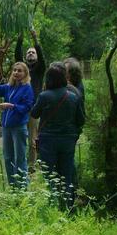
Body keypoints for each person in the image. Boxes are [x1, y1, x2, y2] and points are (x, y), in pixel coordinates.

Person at [30, 62, 85, 208]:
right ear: (64, 77)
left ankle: (52, 203)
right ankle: (67, 205)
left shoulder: (44, 96)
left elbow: (34, 114)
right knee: (66, 172)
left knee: (49, 173)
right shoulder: (74, 96)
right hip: (68, 140)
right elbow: (81, 120)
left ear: (48, 79)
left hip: (48, 140)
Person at [0, 62, 35, 188]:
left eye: (19, 71)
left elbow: (28, 106)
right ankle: (13, 187)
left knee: (20, 158)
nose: (16, 73)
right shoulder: (8, 87)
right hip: (6, 128)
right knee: (8, 157)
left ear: (25, 73)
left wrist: (12, 106)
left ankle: (23, 187)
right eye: (14, 70)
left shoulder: (27, 88)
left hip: (19, 128)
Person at [15, 29, 46, 171]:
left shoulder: (39, 70)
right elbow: (17, 57)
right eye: (28, 52)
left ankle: (32, 164)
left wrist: (35, 39)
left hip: (34, 108)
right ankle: (20, 161)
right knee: (20, 136)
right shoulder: (22, 71)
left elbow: (42, 57)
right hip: (21, 107)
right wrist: (20, 39)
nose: (30, 53)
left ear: (37, 56)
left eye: (33, 52)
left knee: (33, 138)